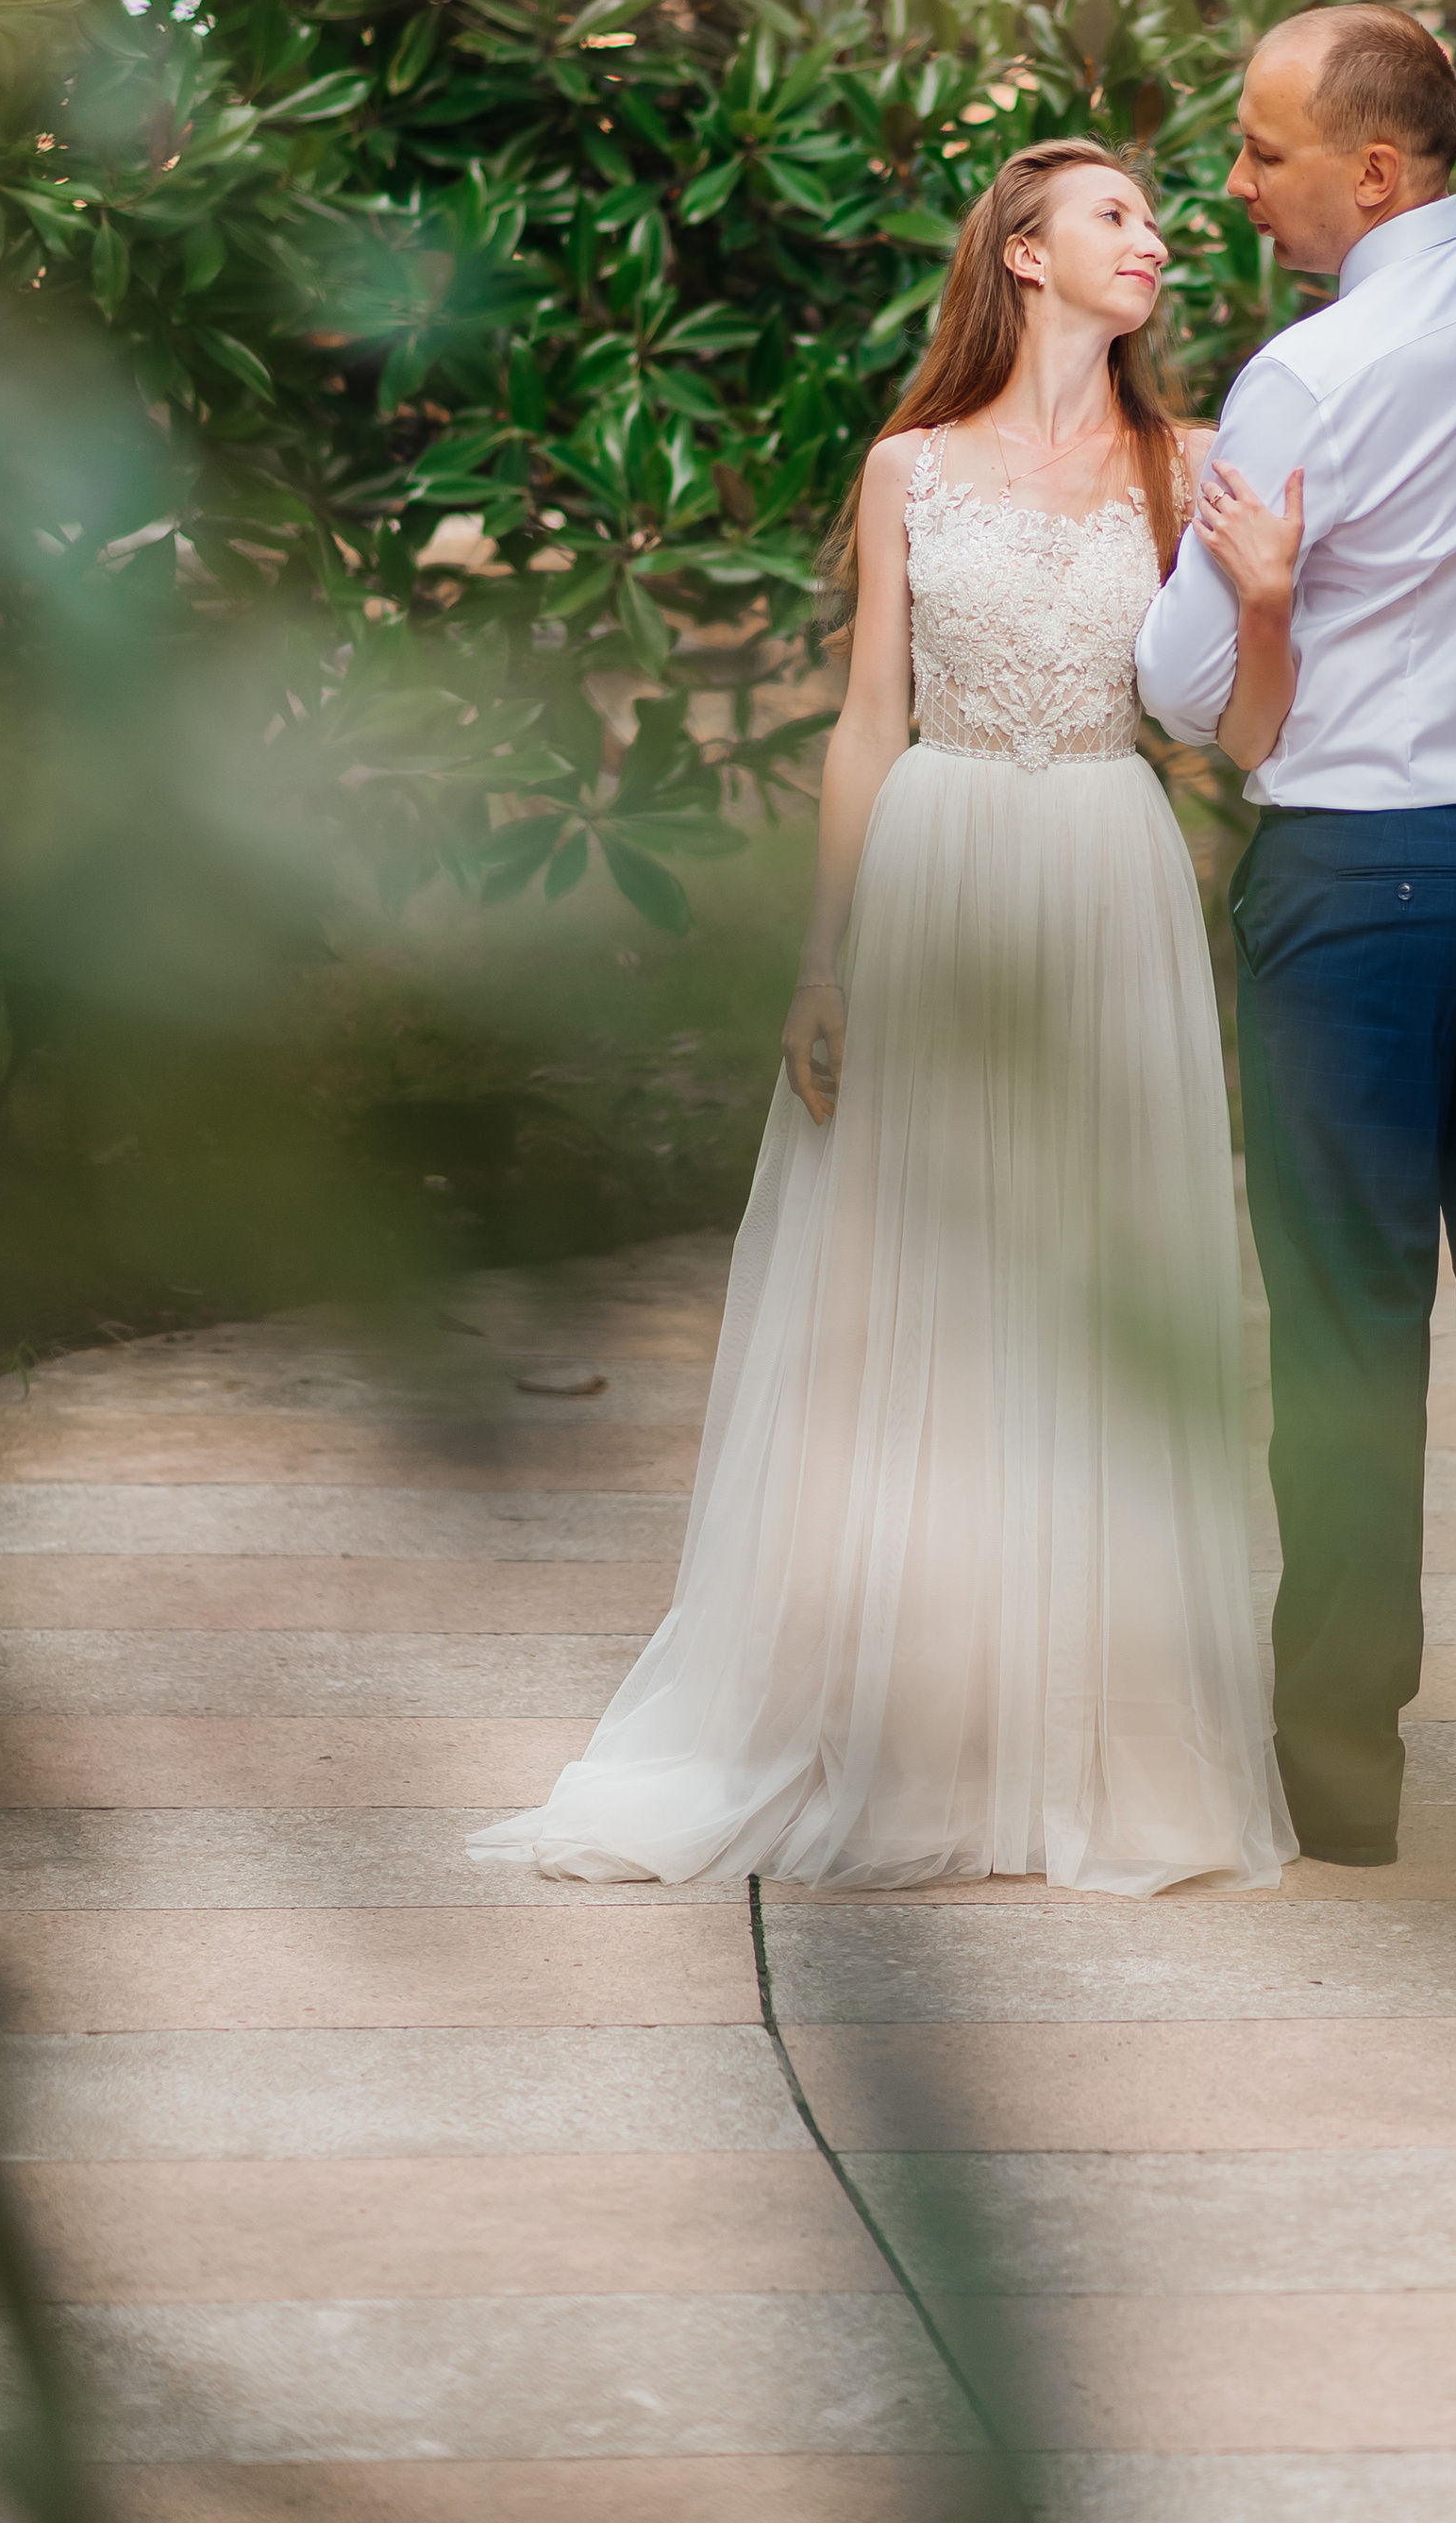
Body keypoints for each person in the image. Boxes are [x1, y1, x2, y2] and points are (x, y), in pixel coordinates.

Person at [471, 139, 1292, 1896]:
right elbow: (864, 721)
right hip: (934, 862)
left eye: (1159, 216)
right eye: (1120, 215)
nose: (1160, 237)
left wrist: (1277, 594)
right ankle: (896, 1710)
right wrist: (821, 959)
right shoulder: (906, 468)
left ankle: (1084, 1726)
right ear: (1022, 254)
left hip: (1105, 863)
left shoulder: (1195, 460)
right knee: (914, 1288)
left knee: (1091, 1282)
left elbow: (1244, 725)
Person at [1136, 6, 1456, 1870]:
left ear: (1372, 168)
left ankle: (1342, 1758)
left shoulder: (1306, 373)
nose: (1233, 178)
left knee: (1348, 1321)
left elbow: (1186, 682)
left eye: (1261, 145)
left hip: (1353, 880)